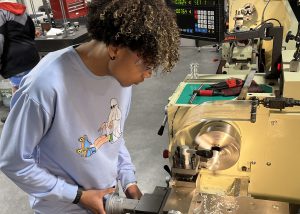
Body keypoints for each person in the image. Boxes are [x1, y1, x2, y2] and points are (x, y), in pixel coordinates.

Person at [0, 0, 180, 213]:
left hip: (107, 201)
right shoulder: (44, 86)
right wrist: (77, 196)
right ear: (115, 48)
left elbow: (114, 135)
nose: (148, 75)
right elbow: (13, 161)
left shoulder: (120, 77)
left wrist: (128, 179)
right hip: (64, 208)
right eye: (147, 66)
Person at [0, 1, 40, 122]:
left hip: (14, 61)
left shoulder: (1, 13)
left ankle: (19, 122)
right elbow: (32, 33)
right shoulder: (22, 12)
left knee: (21, 93)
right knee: (30, 90)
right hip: (32, 57)